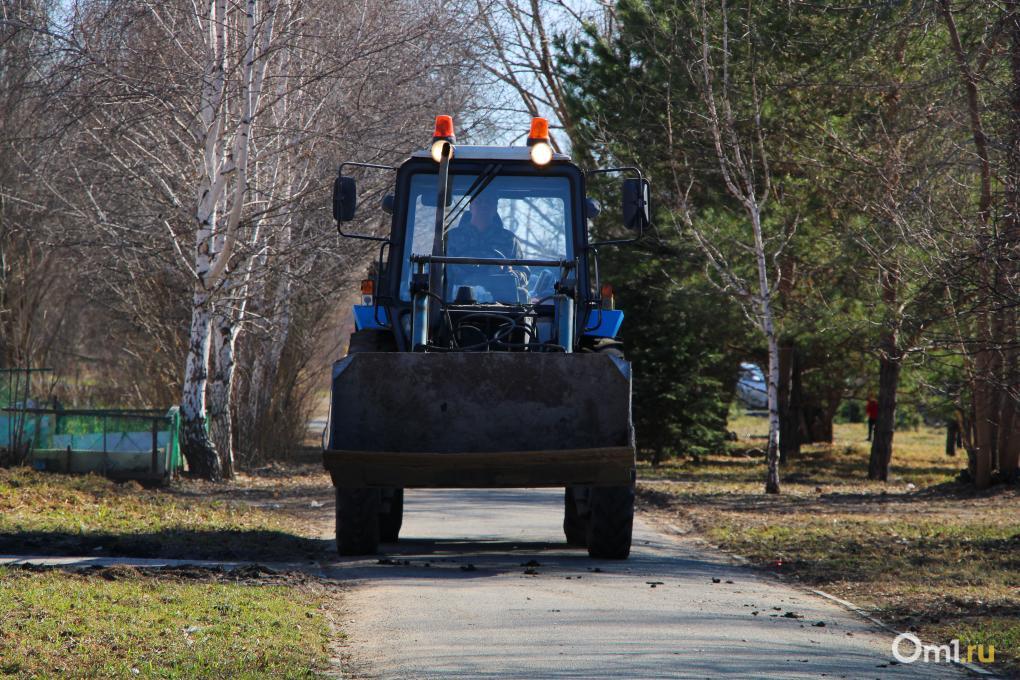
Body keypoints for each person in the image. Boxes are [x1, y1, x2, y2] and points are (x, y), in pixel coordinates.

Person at [445, 191, 527, 299]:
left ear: (495, 208)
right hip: (453, 300)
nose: (483, 205)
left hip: (502, 305)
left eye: (488, 202)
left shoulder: (509, 240)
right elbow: (436, 270)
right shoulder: (451, 237)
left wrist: (513, 274)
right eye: (479, 202)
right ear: (471, 207)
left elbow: (524, 273)